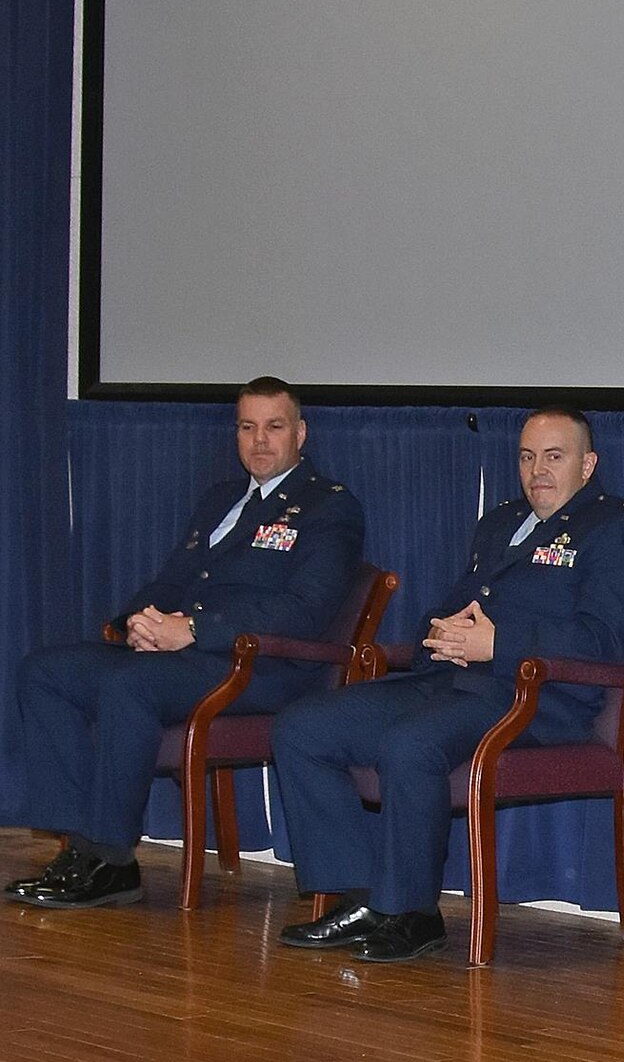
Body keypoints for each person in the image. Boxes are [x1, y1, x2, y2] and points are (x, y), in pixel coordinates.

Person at [271, 408, 624, 963]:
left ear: (587, 465)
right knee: (303, 726)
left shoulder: (616, 527)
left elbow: (605, 637)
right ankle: (362, 897)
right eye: (527, 457)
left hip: (534, 698)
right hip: (451, 679)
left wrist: (498, 645)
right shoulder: (500, 524)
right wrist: (443, 632)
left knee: (412, 744)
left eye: (554, 456)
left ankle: (412, 915)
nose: (537, 471)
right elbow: (456, 604)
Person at [7, 376, 364, 909]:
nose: (259, 441)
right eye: (247, 427)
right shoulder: (221, 498)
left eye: (274, 427)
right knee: (45, 671)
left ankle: (111, 861)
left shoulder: (328, 506)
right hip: (183, 654)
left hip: (258, 666)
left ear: (301, 433)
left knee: (130, 685)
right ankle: (77, 845)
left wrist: (192, 629)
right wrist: (139, 619)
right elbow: (173, 579)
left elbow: (305, 612)